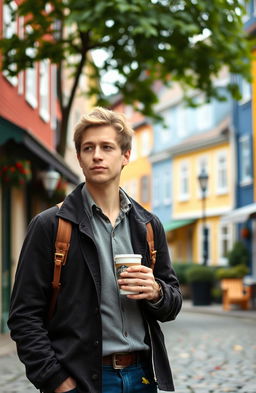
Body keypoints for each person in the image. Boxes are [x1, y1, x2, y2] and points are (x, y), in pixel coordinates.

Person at [8, 107, 182, 393]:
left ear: (126, 156)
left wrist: (157, 292)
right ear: (79, 157)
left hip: (142, 377)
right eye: (88, 148)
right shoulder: (50, 225)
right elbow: (23, 316)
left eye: (107, 147)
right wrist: (56, 382)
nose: (97, 155)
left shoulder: (148, 226)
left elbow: (172, 303)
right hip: (84, 379)